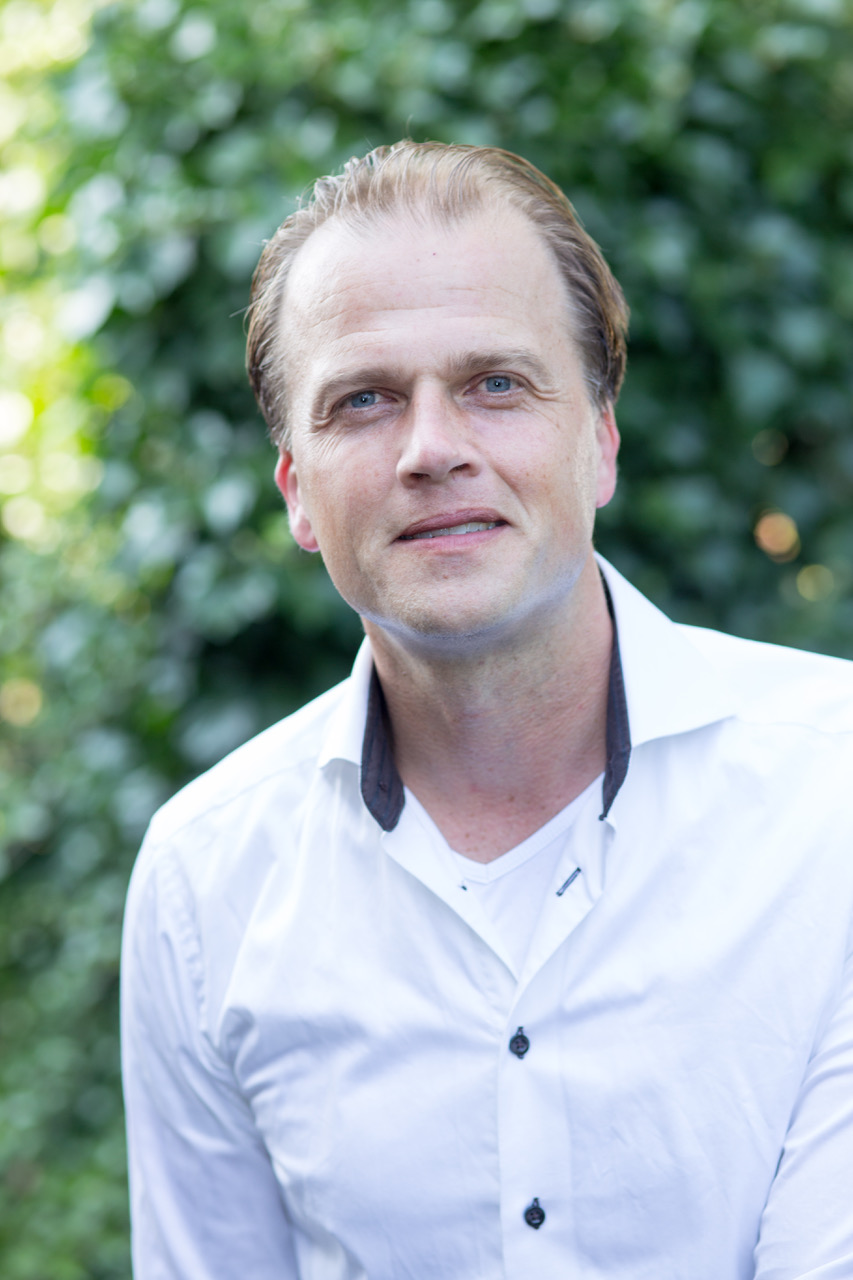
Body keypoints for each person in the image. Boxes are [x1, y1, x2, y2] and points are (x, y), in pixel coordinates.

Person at [121, 141, 853, 1280]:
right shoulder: (205, 881)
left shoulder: (831, 796)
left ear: (599, 442)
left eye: (495, 384)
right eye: (363, 401)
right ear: (297, 492)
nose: (431, 449)